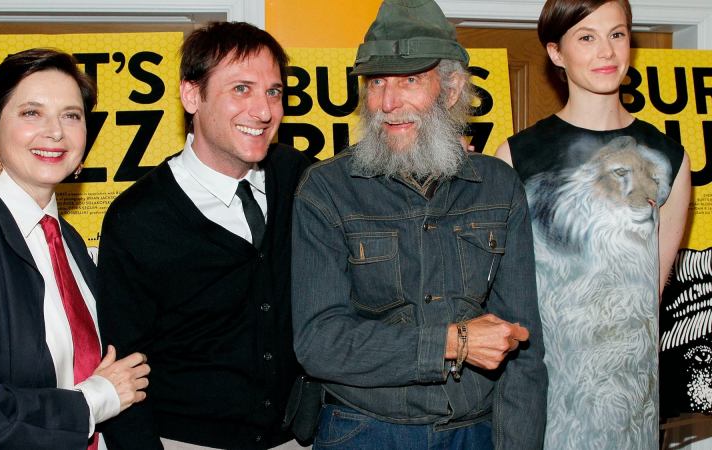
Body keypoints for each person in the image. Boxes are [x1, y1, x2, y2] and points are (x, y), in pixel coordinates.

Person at [291, 1, 547, 449]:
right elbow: (319, 344)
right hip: (364, 431)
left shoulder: (498, 186)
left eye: (410, 80)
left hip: (476, 432)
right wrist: (451, 342)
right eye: (377, 82)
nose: (388, 103)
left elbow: (523, 346)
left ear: (450, 90)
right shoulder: (326, 190)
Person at [0, 48, 150, 450]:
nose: (55, 132)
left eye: (71, 116)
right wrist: (97, 399)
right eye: (31, 113)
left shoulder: (67, 239)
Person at [96, 21, 310, 450]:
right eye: (241, 89)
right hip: (184, 441)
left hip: (297, 438)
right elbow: (122, 368)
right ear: (192, 95)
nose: (264, 111)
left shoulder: (300, 178)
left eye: (273, 92)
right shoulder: (138, 218)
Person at [494, 0, 692, 447]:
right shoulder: (516, 156)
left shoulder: (670, 160)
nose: (606, 51)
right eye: (586, 37)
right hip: (542, 394)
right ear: (556, 53)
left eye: (616, 34)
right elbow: (505, 293)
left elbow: (649, 296)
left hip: (629, 400)